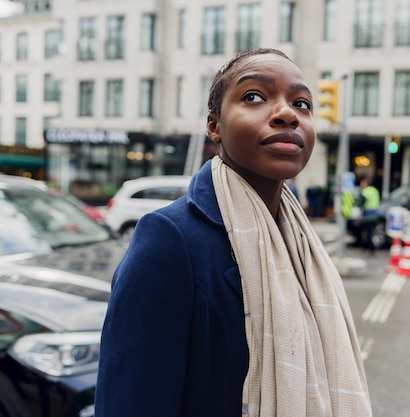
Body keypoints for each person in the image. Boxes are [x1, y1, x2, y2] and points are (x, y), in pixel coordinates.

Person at [95, 48, 372, 417]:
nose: (288, 114)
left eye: (302, 104)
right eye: (254, 96)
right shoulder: (169, 240)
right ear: (214, 125)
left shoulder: (304, 244)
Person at [358, 178, 381, 255]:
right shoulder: (375, 190)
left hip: (368, 215)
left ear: (366, 184)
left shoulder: (365, 191)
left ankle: (369, 248)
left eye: (362, 184)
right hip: (375, 214)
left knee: (367, 233)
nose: (361, 185)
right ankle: (369, 248)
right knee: (371, 232)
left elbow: (361, 202)